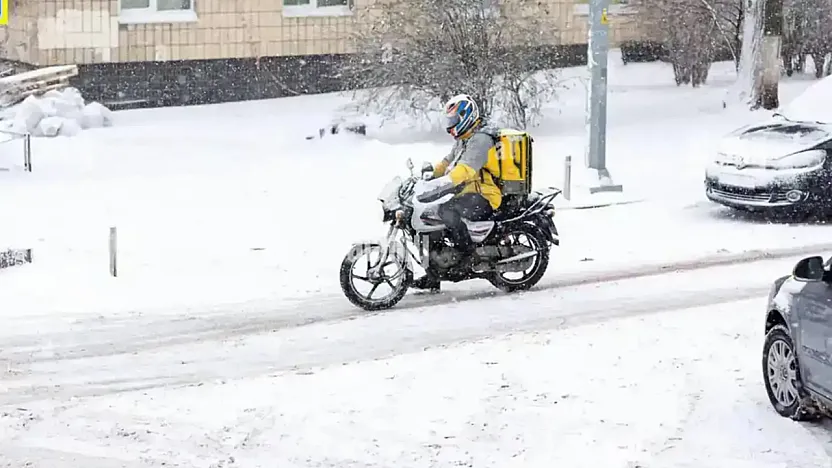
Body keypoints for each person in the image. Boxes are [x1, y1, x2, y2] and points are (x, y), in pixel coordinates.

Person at [411, 94, 503, 291]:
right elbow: (447, 162)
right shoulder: (465, 138)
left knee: (446, 211)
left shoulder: (481, 140)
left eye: (453, 121)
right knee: (430, 215)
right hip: (467, 190)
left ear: (465, 117)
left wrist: (444, 183)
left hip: (486, 195)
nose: (450, 126)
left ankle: (468, 256)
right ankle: (433, 273)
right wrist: (429, 175)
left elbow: (466, 170)